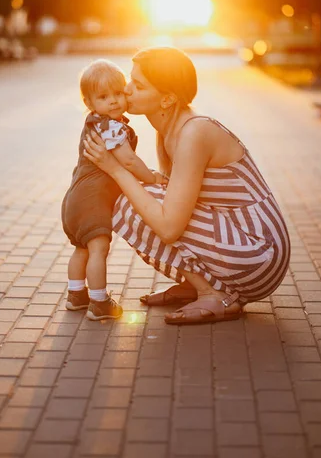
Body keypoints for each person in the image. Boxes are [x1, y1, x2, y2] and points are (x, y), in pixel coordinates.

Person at [83, 47, 291, 325]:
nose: (126, 89)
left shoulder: (193, 132)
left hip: (259, 254)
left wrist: (115, 169)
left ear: (167, 98)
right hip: (241, 246)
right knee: (146, 198)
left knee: (132, 200)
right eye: (129, 79)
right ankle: (197, 287)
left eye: (138, 85)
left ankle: (214, 294)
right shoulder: (168, 130)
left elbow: (170, 227)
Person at [62, 59, 162, 320]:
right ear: (89, 103)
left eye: (118, 93)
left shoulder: (94, 123)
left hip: (75, 197)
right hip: (94, 198)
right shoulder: (112, 127)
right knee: (98, 250)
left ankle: (76, 295)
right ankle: (99, 302)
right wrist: (151, 177)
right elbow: (128, 160)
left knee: (81, 249)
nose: (115, 101)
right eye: (104, 97)